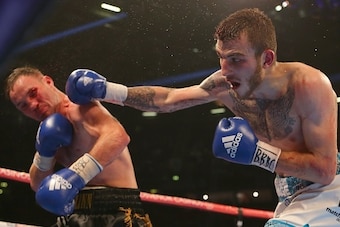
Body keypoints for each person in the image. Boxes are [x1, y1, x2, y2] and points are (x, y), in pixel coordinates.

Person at [65, 8, 340, 227]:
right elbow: (168, 100)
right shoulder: (226, 85)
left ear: (266, 59)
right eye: (221, 57)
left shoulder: (309, 85)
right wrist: (107, 90)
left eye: (235, 59)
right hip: (287, 189)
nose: (225, 69)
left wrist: (257, 154)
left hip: (330, 188)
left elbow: (325, 170)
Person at [5, 66, 152, 227]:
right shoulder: (47, 131)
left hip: (117, 210)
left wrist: (75, 176)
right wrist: (44, 153)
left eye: (33, 93)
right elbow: (38, 184)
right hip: (76, 212)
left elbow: (118, 137)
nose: (32, 105)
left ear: (48, 81)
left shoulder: (79, 108)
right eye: (23, 105)